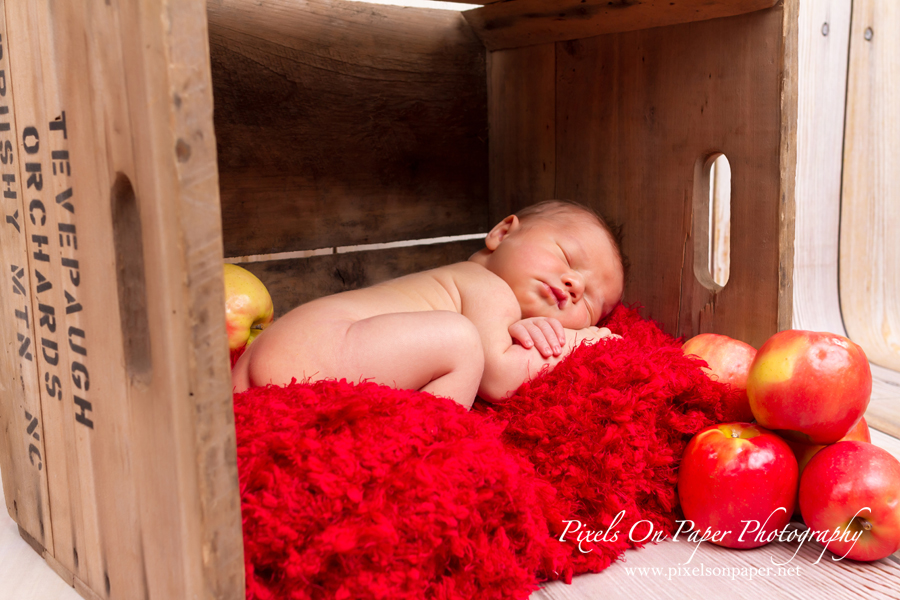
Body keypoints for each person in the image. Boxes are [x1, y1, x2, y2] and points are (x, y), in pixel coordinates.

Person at [231, 200, 626, 408]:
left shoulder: (471, 294)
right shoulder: (487, 285)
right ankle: (428, 447)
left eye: (591, 303)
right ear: (502, 233)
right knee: (459, 338)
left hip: (292, 349)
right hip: (311, 347)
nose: (575, 285)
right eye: (566, 256)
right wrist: (585, 340)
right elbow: (500, 377)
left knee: (462, 336)